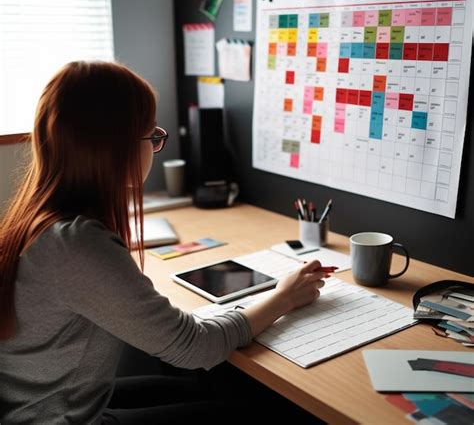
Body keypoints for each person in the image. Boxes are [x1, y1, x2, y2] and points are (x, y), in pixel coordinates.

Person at [0, 61, 328, 424]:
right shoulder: (77, 245)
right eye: (151, 136)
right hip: (55, 417)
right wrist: (283, 296)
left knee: (214, 389)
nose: (155, 146)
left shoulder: (41, 215)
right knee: (244, 410)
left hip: (54, 399)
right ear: (115, 146)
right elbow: (194, 347)